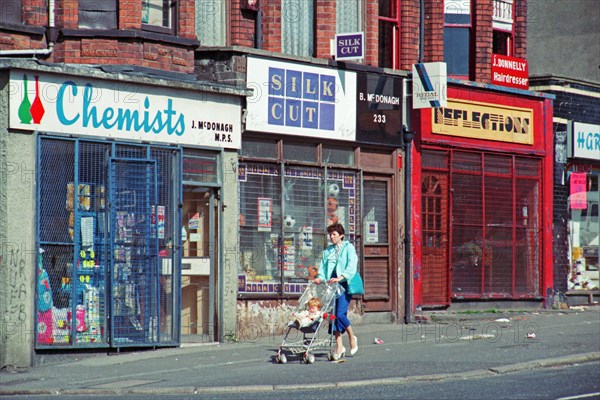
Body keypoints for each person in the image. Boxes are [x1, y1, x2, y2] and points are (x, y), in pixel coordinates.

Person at [313, 223, 359, 358]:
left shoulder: (348, 248)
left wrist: (341, 277)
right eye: (330, 235)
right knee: (332, 316)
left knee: (340, 314)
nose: (331, 237)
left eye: (334, 234)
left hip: (344, 284)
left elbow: (352, 265)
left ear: (341, 236)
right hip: (331, 286)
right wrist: (319, 278)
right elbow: (323, 268)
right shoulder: (328, 251)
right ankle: (339, 346)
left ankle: (352, 336)